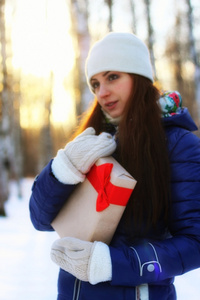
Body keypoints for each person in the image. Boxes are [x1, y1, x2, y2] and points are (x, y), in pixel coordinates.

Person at [29, 32, 200, 300]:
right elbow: (40, 220)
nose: (102, 92)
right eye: (95, 84)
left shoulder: (178, 145)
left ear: (139, 77)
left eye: (112, 77)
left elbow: (194, 243)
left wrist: (107, 264)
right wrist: (64, 169)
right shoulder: (94, 139)